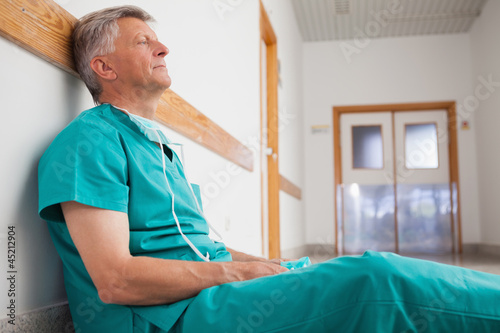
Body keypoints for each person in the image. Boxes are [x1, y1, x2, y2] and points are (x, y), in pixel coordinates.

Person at [38, 5, 500, 333]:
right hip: (169, 317)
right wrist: (236, 275)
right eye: (144, 42)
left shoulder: (157, 148)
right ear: (104, 67)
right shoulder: (89, 142)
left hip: (205, 293)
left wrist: (267, 265)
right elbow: (115, 279)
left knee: (344, 269)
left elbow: (203, 249)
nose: (163, 48)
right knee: (376, 281)